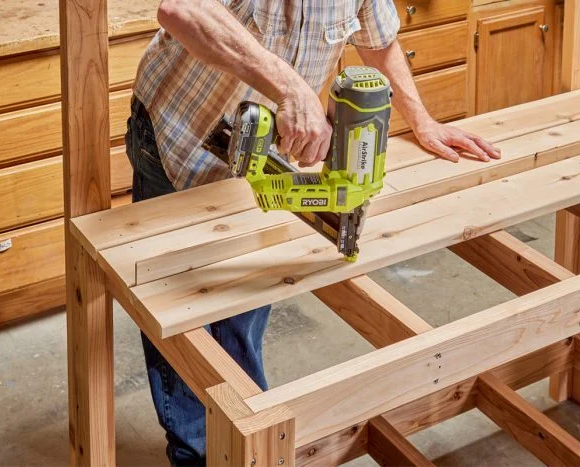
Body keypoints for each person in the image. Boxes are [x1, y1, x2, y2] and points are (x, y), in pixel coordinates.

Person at [126, 0, 501, 464]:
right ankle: (200, 453)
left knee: (241, 310)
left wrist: (421, 120)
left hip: (257, 145)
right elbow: (180, 10)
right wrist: (291, 86)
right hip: (176, 135)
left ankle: (242, 443)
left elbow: (378, 40)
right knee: (178, 314)